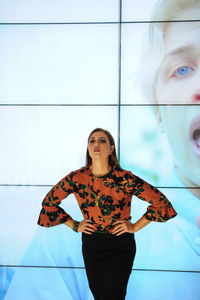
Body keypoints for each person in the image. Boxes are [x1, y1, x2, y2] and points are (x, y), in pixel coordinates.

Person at [37, 127, 177, 300]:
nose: (96, 144)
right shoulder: (77, 178)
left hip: (120, 245)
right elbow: (49, 203)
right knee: (100, 295)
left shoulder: (125, 178)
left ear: (111, 149)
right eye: (92, 141)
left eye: (102, 140)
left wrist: (134, 227)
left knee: (114, 295)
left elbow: (160, 202)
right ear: (88, 148)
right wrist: (74, 225)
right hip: (92, 245)